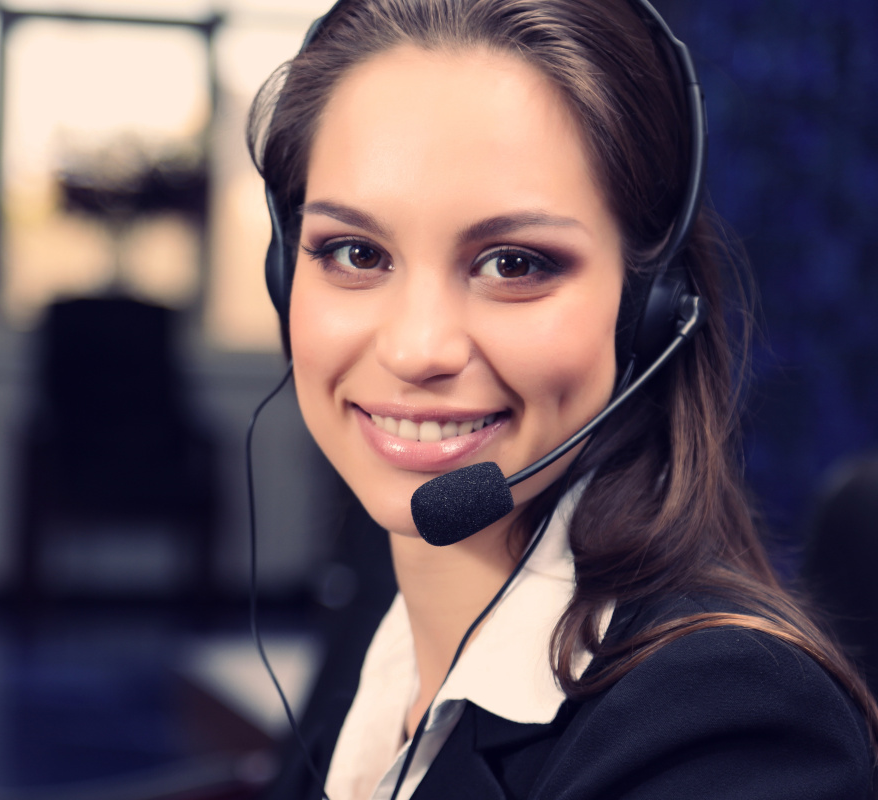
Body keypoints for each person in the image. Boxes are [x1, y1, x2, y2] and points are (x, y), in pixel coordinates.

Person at [246, 0, 878, 798]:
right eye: (355, 251)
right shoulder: (385, 619)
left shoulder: (731, 730)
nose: (416, 350)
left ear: (649, 307)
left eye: (513, 263)